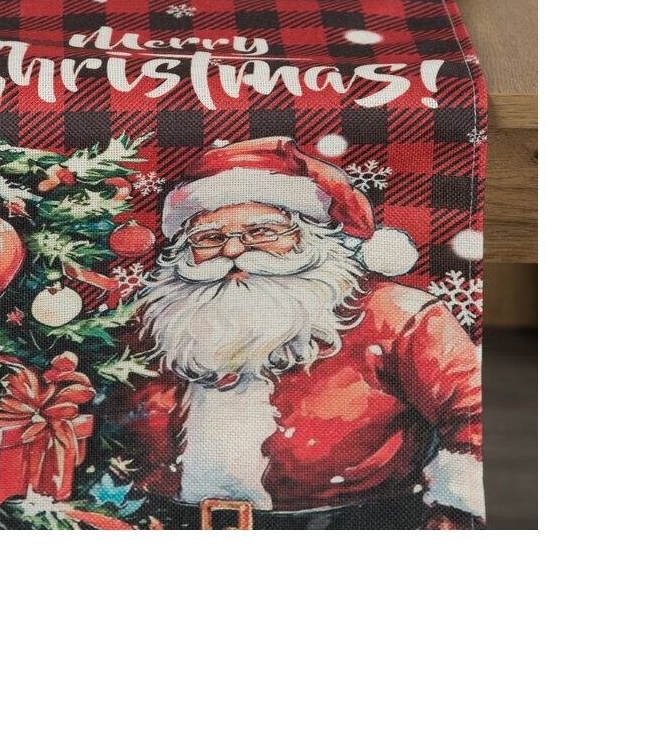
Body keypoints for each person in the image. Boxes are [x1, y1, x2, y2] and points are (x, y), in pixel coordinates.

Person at [112, 137, 483, 529]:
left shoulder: (393, 314)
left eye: (262, 231)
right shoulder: (151, 324)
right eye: (210, 237)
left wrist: (455, 518)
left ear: (309, 236)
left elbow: (479, 417)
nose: (233, 251)